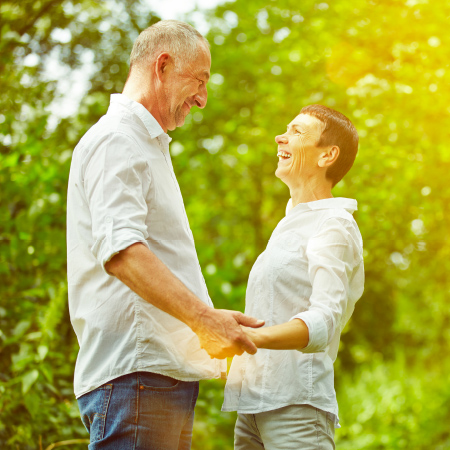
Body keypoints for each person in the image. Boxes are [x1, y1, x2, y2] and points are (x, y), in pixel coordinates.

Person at [67, 20, 263, 450]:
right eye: (200, 80)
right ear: (163, 65)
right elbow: (122, 253)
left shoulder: (146, 145)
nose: (203, 98)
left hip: (156, 380)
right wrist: (204, 319)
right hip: (138, 380)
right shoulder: (117, 140)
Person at [222, 104, 364, 450]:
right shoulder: (289, 225)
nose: (280, 137)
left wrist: (248, 337)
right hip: (251, 406)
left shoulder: (334, 225)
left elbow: (325, 319)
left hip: (297, 408)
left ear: (327, 155)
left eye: (298, 131)